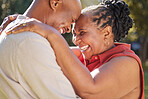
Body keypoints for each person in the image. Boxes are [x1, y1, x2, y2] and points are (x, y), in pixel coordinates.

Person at [4, 0, 145, 99]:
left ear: (106, 33)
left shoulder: (127, 63)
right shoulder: (85, 55)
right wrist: (22, 20)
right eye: (74, 33)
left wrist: (51, 33)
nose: (75, 40)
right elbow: (45, 50)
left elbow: (90, 91)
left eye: (82, 33)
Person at [0, 0, 82, 99]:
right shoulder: (29, 41)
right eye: (72, 19)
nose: (69, 29)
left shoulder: (16, 32)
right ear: (54, 3)